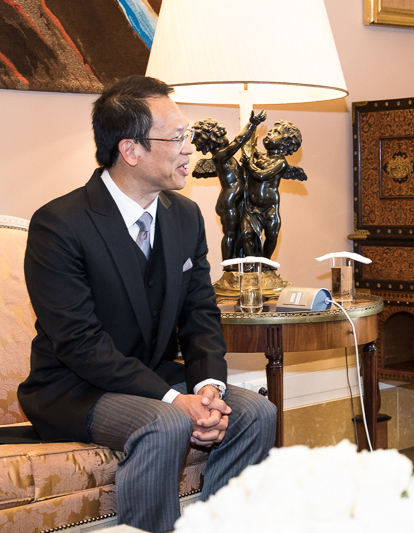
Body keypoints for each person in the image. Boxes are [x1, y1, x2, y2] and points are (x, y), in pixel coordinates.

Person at [18, 75, 277, 533]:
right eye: (176, 138)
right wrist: (176, 400)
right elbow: (78, 342)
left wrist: (208, 388)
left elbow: (200, 314)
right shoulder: (60, 224)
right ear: (130, 150)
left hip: (153, 374)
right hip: (74, 388)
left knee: (258, 413)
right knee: (166, 422)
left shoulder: (185, 216)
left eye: (187, 136)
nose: (189, 149)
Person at [191, 110, 267, 261]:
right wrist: (252, 124)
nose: (225, 137)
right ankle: (228, 265)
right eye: (221, 136)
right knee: (230, 234)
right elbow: (239, 140)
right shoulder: (221, 156)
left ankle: (239, 260)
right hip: (229, 200)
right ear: (213, 140)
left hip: (236, 199)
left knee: (239, 233)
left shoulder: (226, 157)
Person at [240, 119, 306, 260]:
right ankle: (252, 262)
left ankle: (266, 261)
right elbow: (252, 150)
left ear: (285, 143)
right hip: (252, 207)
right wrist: (250, 134)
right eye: (271, 130)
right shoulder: (262, 156)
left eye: (276, 132)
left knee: (271, 236)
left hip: (269, 208)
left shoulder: (281, 163)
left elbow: (262, 175)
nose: (270, 132)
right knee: (246, 234)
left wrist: (249, 165)